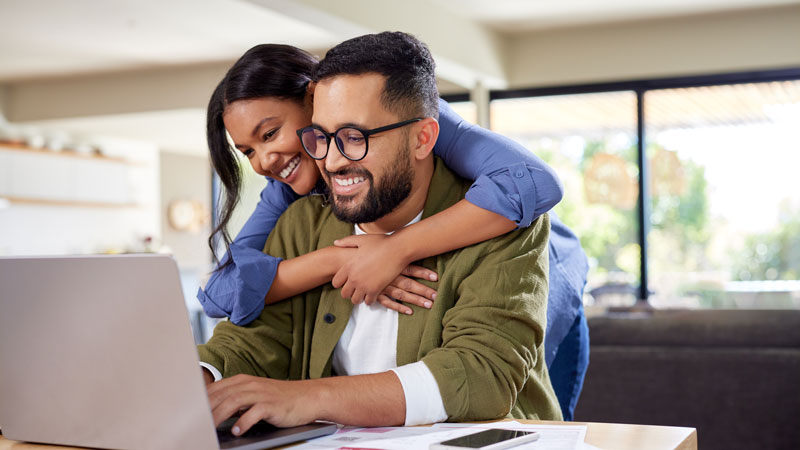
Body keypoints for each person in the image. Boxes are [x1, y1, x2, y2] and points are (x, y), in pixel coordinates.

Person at [198, 31, 562, 433]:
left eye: (355, 137)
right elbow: (249, 333)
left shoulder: (504, 217)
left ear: (423, 138)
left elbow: (479, 376)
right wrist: (197, 380)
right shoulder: (298, 216)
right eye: (322, 137)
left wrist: (308, 397)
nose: (332, 162)